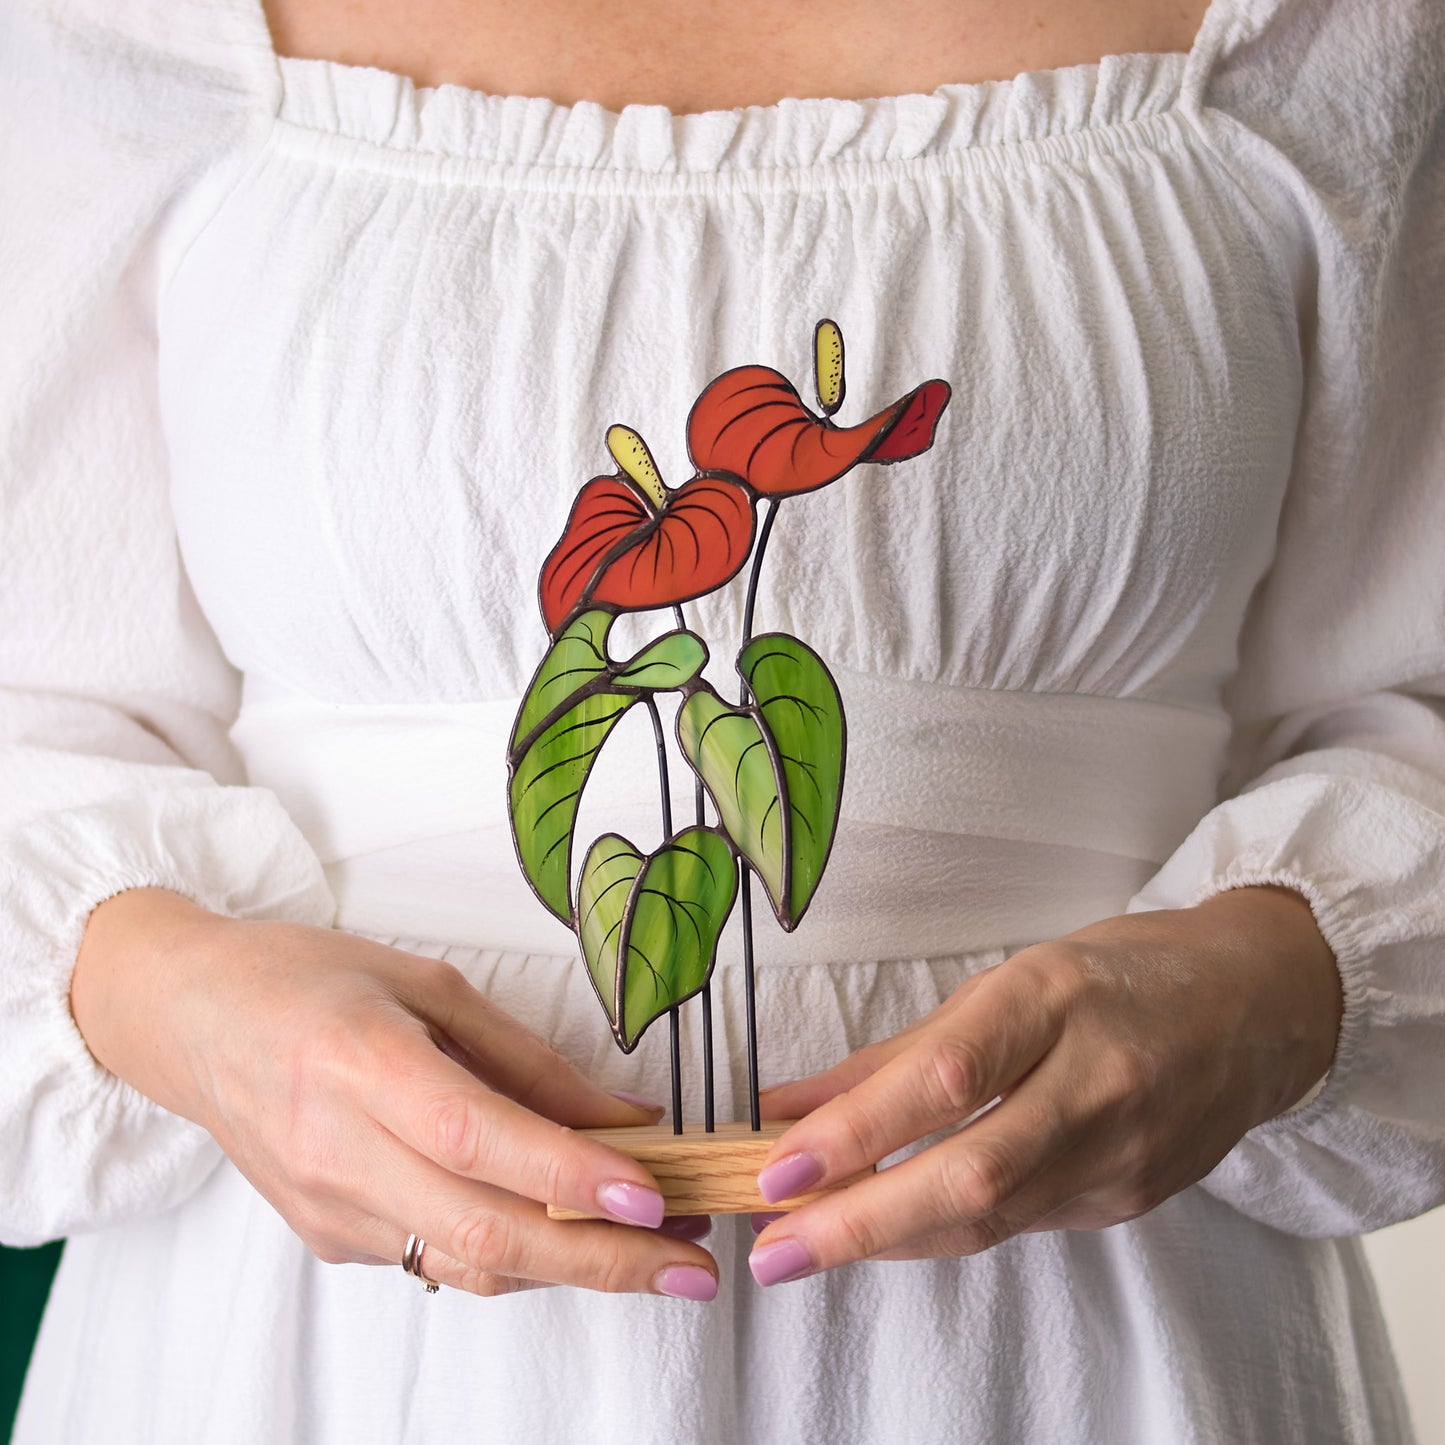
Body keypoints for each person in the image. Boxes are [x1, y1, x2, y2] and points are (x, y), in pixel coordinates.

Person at [2, 0, 1442, 1440]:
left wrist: (1274, 989)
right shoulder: (136, 31)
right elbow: (40, 707)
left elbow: (1411, 688)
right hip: (334, 1336)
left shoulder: (1318, 34)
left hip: (1090, 1341)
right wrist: (190, 1011)